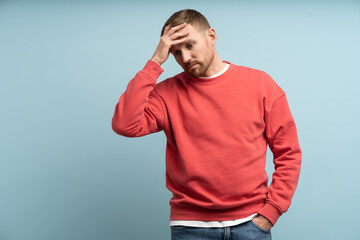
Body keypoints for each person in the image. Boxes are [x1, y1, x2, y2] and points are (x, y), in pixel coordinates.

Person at [112, 9, 302, 240]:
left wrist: (272, 212)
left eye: (190, 45)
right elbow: (125, 125)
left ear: (211, 36)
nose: (185, 58)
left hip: (251, 224)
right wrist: (155, 62)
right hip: (190, 227)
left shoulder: (261, 84)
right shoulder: (166, 94)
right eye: (176, 52)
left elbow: (288, 153)